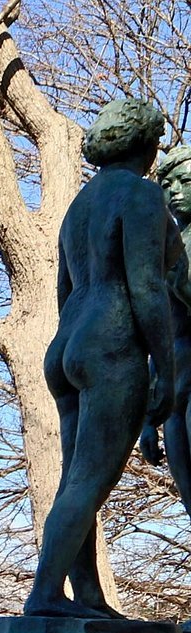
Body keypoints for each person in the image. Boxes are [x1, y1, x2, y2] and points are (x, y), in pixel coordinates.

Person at [24, 99, 180, 619]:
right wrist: (166, 366)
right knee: (91, 482)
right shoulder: (140, 195)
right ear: (148, 145)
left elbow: (64, 289)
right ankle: (45, 596)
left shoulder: (79, 206)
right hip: (112, 345)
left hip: (67, 345)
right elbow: (147, 288)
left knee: (75, 479)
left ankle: (86, 596)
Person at [143, 147, 191, 515]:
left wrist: (179, 279)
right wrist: (148, 419)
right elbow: (158, 335)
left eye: (185, 182)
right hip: (174, 396)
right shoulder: (170, 246)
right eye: (167, 185)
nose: (174, 192)